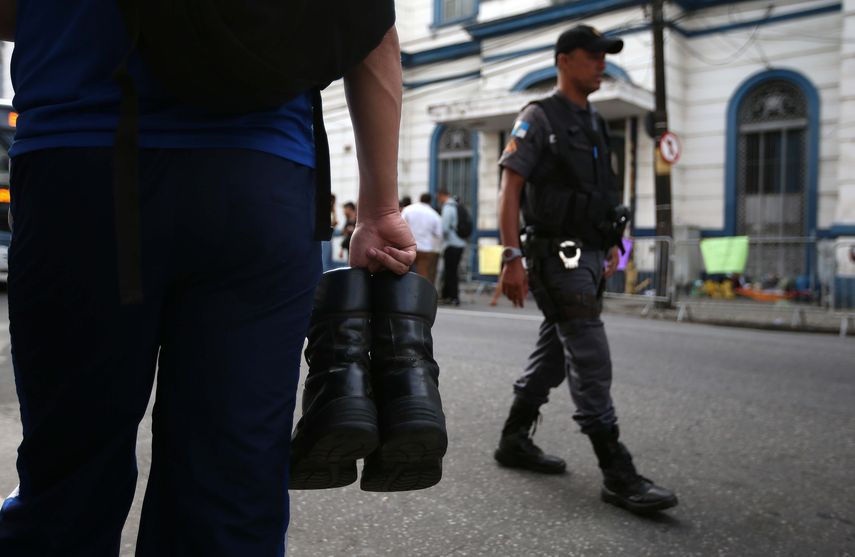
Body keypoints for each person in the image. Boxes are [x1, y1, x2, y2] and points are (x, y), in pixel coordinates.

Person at [0, 2, 415, 555]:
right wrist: (380, 206)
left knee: (68, 466)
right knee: (232, 479)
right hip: (259, 176)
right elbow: (369, 27)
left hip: (80, 164)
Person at [494, 24, 677, 514]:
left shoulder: (594, 122)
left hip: (592, 254)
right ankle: (617, 472)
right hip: (557, 256)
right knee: (590, 356)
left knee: (555, 355)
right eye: (593, 55)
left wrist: (615, 244)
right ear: (565, 59)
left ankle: (513, 438)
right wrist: (510, 257)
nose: (601, 63)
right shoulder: (539, 116)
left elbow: (599, 193)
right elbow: (510, 190)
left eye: (605, 56)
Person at [402, 193, 443, 285]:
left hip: (409, 246)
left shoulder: (408, 209)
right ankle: (420, 296)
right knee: (422, 274)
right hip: (425, 248)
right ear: (430, 201)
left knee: (405, 273)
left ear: (420, 198)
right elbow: (438, 233)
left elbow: (400, 224)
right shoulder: (434, 214)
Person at [437, 188, 467, 305]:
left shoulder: (448, 207)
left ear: (441, 196)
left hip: (451, 244)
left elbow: (444, 228)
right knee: (452, 271)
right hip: (460, 243)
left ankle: (453, 297)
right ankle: (448, 295)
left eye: (438, 197)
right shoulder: (456, 206)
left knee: (450, 272)